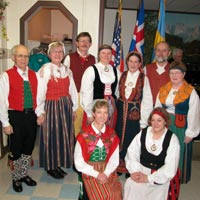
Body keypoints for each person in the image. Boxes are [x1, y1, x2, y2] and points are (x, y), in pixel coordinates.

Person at [0, 44, 44, 192]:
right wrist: (5, 123)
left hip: (31, 115)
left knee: (29, 145)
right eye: (20, 55)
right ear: (13, 58)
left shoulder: (34, 74)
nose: (23, 59)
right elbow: (2, 101)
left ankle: (24, 173)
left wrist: (40, 113)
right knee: (16, 147)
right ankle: (16, 177)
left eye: (26, 56)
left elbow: (39, 97)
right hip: (15, 115)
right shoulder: (6, 75)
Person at [37, 41, 78, 179]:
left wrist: (74, 108)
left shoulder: (67, 70)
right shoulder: (46, 69)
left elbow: (72, 90)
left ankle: (58, 163)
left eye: (60, 51)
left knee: (63, 135)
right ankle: (50, 166)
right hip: (51, 106)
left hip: (66, 105)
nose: (58, 54)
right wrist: (40, 111)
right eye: (54, 51)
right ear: (49, 54)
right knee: (51, 136)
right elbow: (40, 92)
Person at [155, 61, 200, 183]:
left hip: (181, 125)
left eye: (177, 73)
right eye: (172, 73)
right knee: (163, 149)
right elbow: (158, 108)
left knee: (178, 150)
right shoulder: (164, 89)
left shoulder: (191, 92)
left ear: (183, 74)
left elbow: (194, 113)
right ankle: (162, 176)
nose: (174, 76)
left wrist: (190, 132)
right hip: (165, 124)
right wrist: (156, 124)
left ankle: (177, 177)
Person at [124, 107, 180, 200]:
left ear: (165, 121)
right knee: (131, 185)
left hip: (160, 176)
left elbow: (170, 167)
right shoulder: (144, 133)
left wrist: (149, 178)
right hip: (141, 170)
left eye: (159, 120)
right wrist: (135, 171)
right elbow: (132, 152)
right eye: (153, 120)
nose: (155, 124)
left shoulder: (172, 140)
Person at [74, 99, 122, 200]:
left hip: (107, 169)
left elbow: (114, 159)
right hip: (89, 171)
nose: (102, 116)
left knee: (116, 193)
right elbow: (78, 162)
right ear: (93, 114)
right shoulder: (84, 135)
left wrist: (106, 173)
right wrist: (97, 174)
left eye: (105, 113)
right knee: (101, 195)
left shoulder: (112, 134)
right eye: (99, 112)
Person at [115, 51, 153, 174]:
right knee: (119, 137)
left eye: (136, 62)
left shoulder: (143, 78)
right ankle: (120, 163)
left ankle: (131, 167)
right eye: (131, 61)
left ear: (140, 64)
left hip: (134, 114)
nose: (133, 64)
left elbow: (147, 101)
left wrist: (143, 122)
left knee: (133, 140)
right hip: (121, 112)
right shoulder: (122, 75)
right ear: (127, 62)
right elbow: (116, 93)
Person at [80, 44, 120, 129]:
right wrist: (89, 113)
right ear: (99, 55)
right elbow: (86, 92)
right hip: (95, 107)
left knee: (109, 131)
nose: (106, 55)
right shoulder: (91, 70)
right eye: (103, 53)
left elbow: (117, 91)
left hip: (111, 108)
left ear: (111, 55)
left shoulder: (116, 70)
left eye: (108, 53)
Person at [63, 32, 96, 136]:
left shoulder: (93, 59)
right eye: (82, 41)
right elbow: (64, 76)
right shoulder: (69, 57)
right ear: (77, 43)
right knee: (74, 123)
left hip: (88, 95)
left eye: (87, 41)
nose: (84, 43)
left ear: (90, 44)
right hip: (74, 94)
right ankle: (72, 146)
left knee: (87, 122)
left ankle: (83, 147)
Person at [144, 41, 171, 105]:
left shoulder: (174, 71)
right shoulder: (146, 69)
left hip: (166, 110)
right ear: (155, 52)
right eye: (158, 50)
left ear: (169, 53)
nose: (160, 54)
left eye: (164, 51)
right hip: (148, 109)